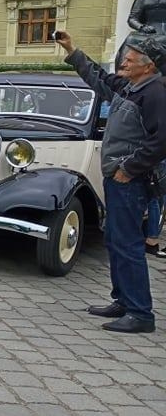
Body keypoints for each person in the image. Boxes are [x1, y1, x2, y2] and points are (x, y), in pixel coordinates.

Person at [57, 30, 166, 333]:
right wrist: (72, 49)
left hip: (131, 180)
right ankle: (123, 300)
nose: (124, 63)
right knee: (115, 240)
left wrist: (129, 168)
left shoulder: (155, 93)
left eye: (130, 60)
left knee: (128, 243)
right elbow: (100, 79)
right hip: (118, 178)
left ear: (149, 65)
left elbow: (161, 140)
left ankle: (141, 313)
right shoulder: (131, 87)